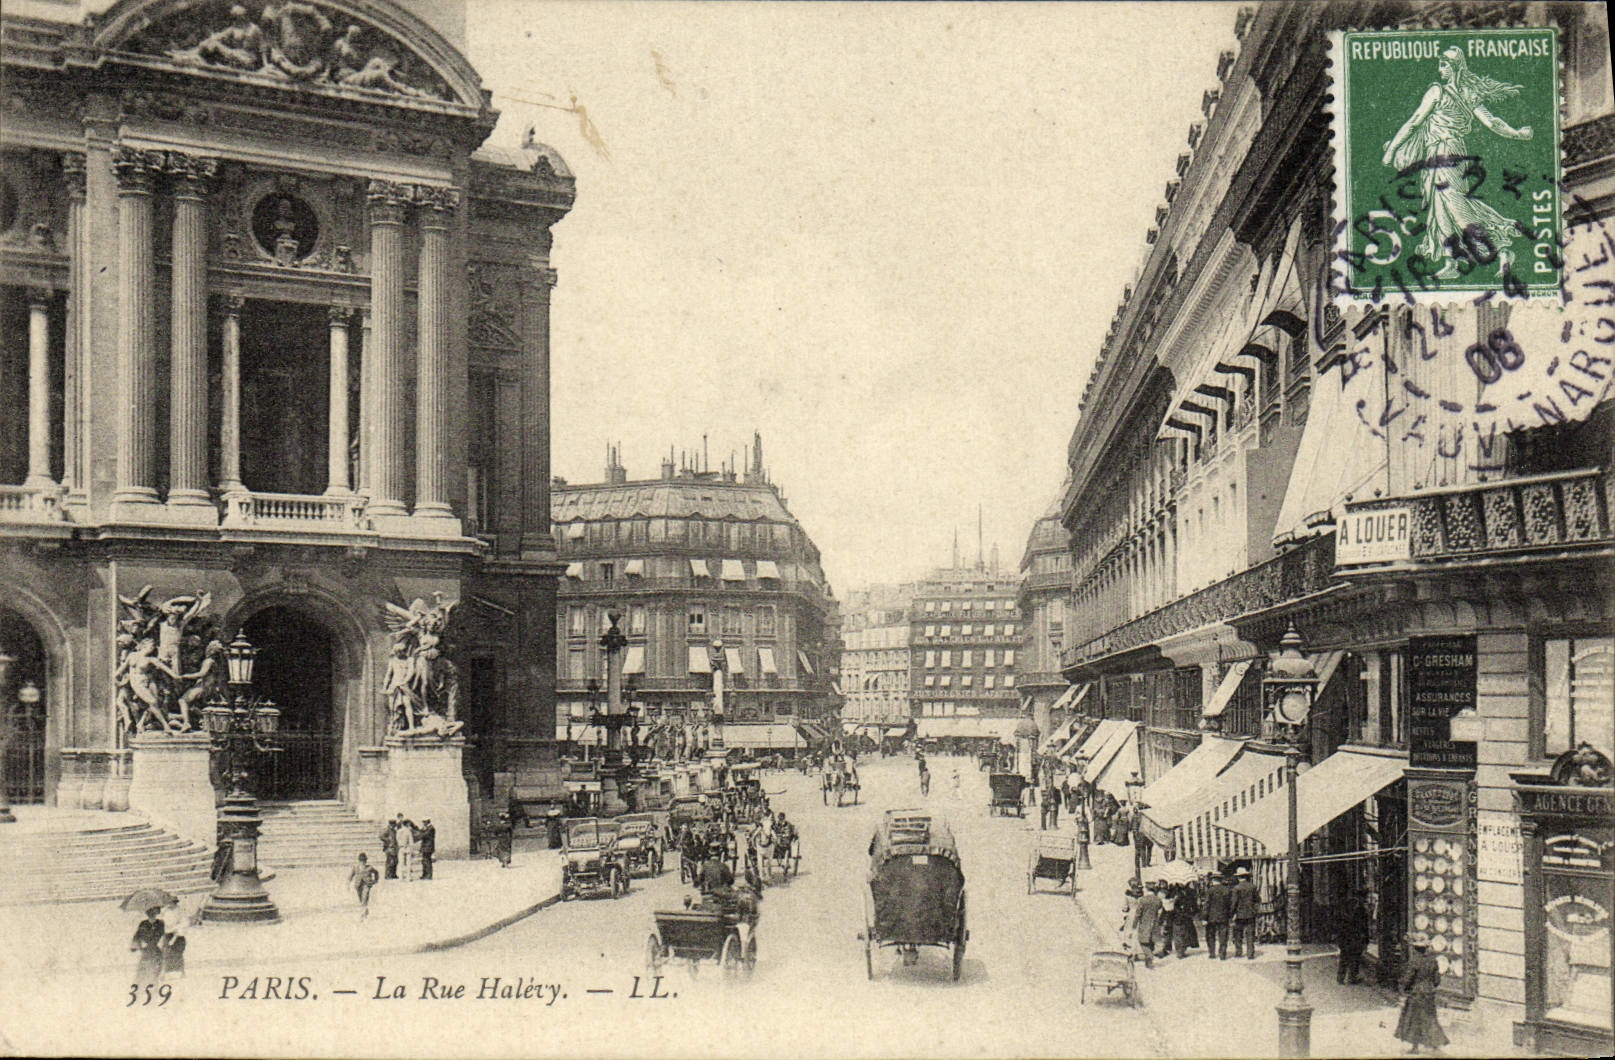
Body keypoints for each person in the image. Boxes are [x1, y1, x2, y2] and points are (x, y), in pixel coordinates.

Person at [1380, 46, 1534, 281]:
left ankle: (1501, 250)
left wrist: (1391, 150)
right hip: (1443, 153)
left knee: (1454, 204)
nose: (1440, 69)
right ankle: (1453, 261)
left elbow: (1414, 122)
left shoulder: (1437, 91)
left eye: (1443, 65)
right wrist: (1517, 133)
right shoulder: (1468, 94)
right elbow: (1493, 123)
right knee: (1439, 207)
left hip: (1445, 152)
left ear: (1454, 68)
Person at [1395, 932, 1450, 1053]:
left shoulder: (1414, 961)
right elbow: (1436, 980)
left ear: (1415, 948)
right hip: (1429, 993)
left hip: (1416, 993)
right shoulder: (1433, 961)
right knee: (1430, 1018)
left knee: (1414, 1020)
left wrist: (1402, 984)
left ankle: (1415, 1047)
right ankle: (1435, 1044)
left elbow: (1408, 979)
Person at [1337, 889, 1370, 984]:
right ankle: (1352, 977)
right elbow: (1364, 926)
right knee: (1355, 957)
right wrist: (1366, 940)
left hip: (1345, 936)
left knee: (1344, 957)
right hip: (1355, 936)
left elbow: (1341, 921)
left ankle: (1340, 977)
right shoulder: (1361, 909)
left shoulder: (1346, 905)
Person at [131, 907, 167, 986]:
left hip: (149, 951)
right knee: (148, 974)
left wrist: (140, 948)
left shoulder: (157, 923)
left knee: (149, 974)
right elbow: (137, 937)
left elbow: (137, 937)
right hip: (152, 951)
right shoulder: (159, 923)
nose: (152, 916)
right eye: (151, 914)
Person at [1231, 865, 1260, 959]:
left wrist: (1232, 913)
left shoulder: (1236, 888)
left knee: (1238, 934)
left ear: (1238, 877)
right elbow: (1257, 900)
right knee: (1250, 934)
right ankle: (1250, 953)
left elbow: (1234, 903)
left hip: (1239, 915)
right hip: (1250, 914)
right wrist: (1255, 910)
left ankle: (1239, 952)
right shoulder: (1252, 887)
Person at [1133, 880, 1164, 968]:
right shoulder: (1158, 900)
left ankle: (1149, 956)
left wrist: (1134, 925)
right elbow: (1160, 908)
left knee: (1143, 942)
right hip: (1155, 923)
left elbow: (1138, 914)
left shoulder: (1142, 900)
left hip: (1144, 924)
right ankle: (1148, 962)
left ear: (1146, 889)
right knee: (1151, 942)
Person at [1203, 871, 1233, 960]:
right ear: (1221, 880)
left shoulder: (1210, 890)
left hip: (1211, 917)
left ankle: (1212, 953)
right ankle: (1222, 954)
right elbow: (1230, 904)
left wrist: (1204, 917)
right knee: (1223, 935)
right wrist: (1229, 915)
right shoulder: (1227, 890)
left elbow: (1207, 904)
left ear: (1213, 880)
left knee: (1210, 935)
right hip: (1223, 916)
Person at [1170, 880, 1200, 958]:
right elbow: (1171, 905)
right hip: (1177, 916)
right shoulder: (1174, 892)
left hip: (1187, 916)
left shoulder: (1190, 892)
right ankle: (1180, 951)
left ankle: (1183, 949)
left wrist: (1194, 912)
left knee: (1186, 933)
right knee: (1178, 934)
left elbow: (1194, 904)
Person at [349, 852, 378, 919]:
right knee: (361, 898)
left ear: (366, 861)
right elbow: (351, 875)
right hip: (358, 885)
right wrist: (348, 882)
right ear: (359, 861)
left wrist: (375, 880)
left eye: (364, 861)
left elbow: (376, 873)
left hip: (367, 884)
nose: (362, 863)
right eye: (361, 861)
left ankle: (363, 913)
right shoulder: (355, 868)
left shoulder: (369, 868)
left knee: (365, 897)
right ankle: (365, 909)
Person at [380, 815, 402, 880]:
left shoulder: (394, 831)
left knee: (395, 861)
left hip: (394, 848)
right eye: (393, 824)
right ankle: (388, 875)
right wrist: (388, 840)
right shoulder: (387, 830)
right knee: (389, 862)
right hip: (389, 848)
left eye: (394, 825)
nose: (394, 826)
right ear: (390, 824)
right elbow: (381, 836)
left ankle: (393, 874)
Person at [396, 817, 417, 881]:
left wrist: (400, 844)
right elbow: (411, 841)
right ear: (407, 824)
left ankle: (401, 877)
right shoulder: (408, 831)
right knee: (408, 863)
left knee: (401, 863)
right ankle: (408, 877)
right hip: (407, 848)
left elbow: (397, 839)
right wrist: (412, 849)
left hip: (401, 847)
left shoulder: (399, 831)